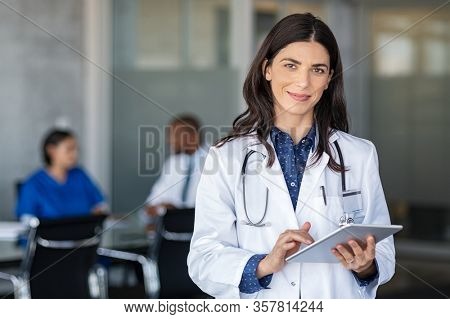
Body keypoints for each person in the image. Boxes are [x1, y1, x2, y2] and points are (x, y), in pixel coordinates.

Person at [188, 13, 395, 299]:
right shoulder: (226, 157)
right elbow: (203, 258)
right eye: (291, 65)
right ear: (267, 69)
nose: (303, 82)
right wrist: (262, 264)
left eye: (318, 69)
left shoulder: (359, 154)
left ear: (329, 79)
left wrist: (366, 266)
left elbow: (383, 250)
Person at [16, 129, 107, 221]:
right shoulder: (33, 184)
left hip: (85, 234)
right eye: (69, 149)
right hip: (49, 235)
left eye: (76, 149)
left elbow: (99, 206)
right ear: (51, 150)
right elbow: (27, 220)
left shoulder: (80, 176)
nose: (75, 154)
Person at [143, 114, 207, 218]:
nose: (170, 141)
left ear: (193, 136)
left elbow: (209, 209)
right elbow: (151, 205)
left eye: (175, 136)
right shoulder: (172, 163)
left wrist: (175, 210)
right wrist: (163, 208)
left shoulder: (214, 161)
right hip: (171, 230)